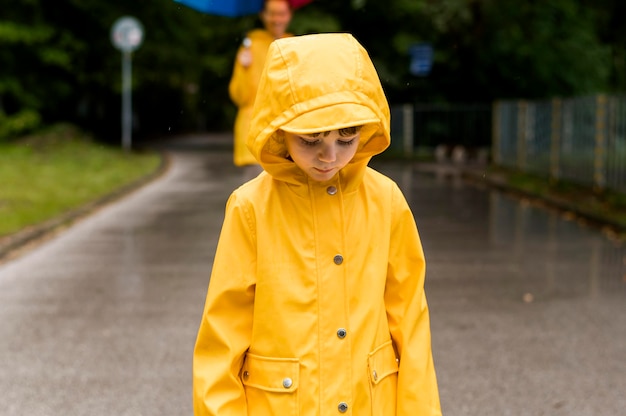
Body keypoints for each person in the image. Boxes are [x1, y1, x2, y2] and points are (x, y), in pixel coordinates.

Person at [193, 33, 442, 415]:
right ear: (279, 130)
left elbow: (410, 322)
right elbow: (223, 335)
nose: (330, 157)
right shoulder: (250, 207)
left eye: (347, 138)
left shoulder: (386, 199)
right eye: (311, 140)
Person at [228, 0, 293, 170]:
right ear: (263, 15)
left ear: (289, 16)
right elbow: (240, 97)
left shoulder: (295, 46)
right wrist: (244, 68)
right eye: (272, 13)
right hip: (254, 133)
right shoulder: (250, 47)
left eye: (281, 14)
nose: (277, 19)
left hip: (288, 133)